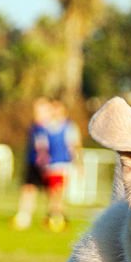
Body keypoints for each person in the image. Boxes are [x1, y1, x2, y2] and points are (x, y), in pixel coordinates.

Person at [11, 97, 53, 231]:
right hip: (32, 163)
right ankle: (24, 216)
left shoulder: (51, 128)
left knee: (52, 192)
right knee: (28, 189)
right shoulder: (35, 127)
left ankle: (53, 217)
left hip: (47, 165)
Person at [40, 100, 81, 233]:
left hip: (63, 164)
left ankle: (58, 217)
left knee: (59, 192)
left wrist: (78, 163)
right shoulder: (47, 127)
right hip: (49, 165)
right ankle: (55, 215)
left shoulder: (69, 127)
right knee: (52, 193)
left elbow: (75, 146)